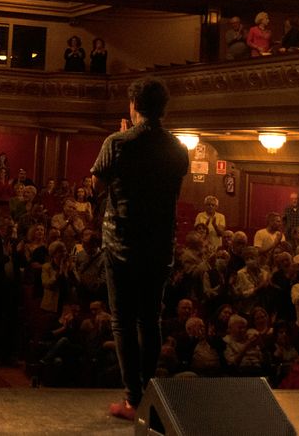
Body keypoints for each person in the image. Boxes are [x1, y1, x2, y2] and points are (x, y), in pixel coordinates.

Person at [91, 77, 191, 421]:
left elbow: (97, 182)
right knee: (150, 321)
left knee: (122, 321)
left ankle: (133, 399)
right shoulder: (178, 148)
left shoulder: (117, 143)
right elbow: (172, 190)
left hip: (121, 243)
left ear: (134, 106)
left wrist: (121, 138)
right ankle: (149, 400)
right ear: (163, 108)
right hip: (159, 244)